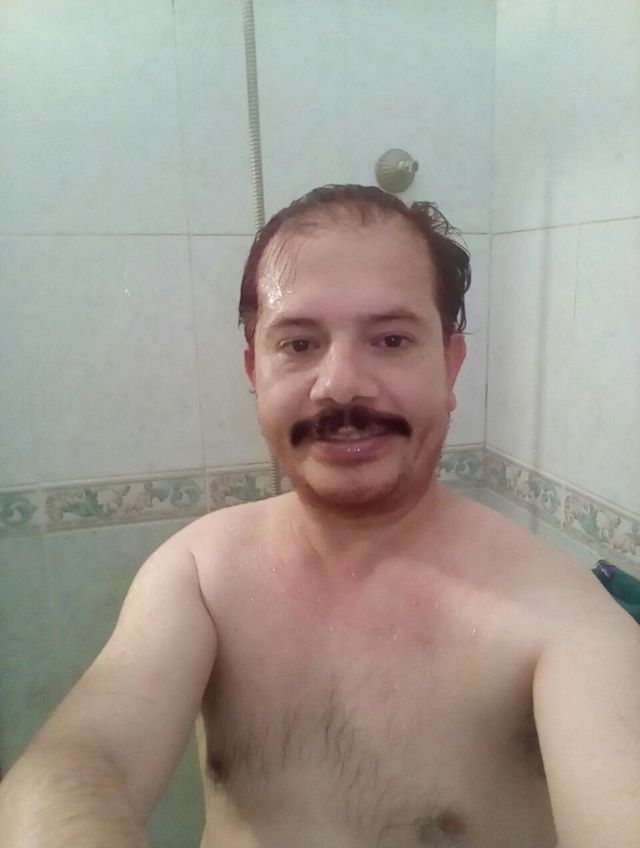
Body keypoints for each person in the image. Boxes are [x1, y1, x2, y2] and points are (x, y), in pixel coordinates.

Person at [1, 185, 639, 848]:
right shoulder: (200, 574)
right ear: (255, 371)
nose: (340, 385)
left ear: (450, 367)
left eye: (391, 339)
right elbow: (78, 762)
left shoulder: (564, 616)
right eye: (299, 343)